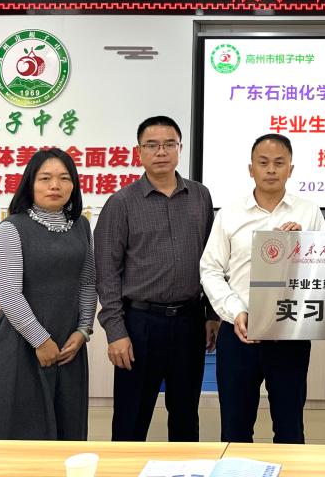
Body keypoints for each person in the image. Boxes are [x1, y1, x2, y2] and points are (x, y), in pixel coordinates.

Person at [94, 115, 217, 442]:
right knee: (131, 419)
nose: (161, 152)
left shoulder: (201, 196)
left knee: (186, 417)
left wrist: (211, 314)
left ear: (180, 148)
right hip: (139, 324)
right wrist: (116, 332)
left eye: (168, 144)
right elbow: (106, 273)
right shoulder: (121, 203)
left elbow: (212, 261)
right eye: (152, 145)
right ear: (139, 152)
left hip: (189, 321)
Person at [200, 134, 325, 443]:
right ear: (251, 169)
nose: (271, 169)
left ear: (290, 169)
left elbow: (324, 272)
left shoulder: (309, 213)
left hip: (289, 333)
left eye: (279, 163)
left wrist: (303, 245)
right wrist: (235, 311)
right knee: (235, 428)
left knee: (289, 428)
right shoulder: (230, 213)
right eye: (263, 162)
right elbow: (211, 269)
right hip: (239, 333)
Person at [0, 147, 93, 440]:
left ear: (73, 185)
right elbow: (9, 294)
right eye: (45, 178)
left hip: (69, 344)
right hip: (20, 343)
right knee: (17, 430)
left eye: (64, 178)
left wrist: (83, 330)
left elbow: (88, 281)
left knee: (67, 428)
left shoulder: (81, 226)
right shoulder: (11, 229)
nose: (55, 185)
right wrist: (41, 340)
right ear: (30, 184)